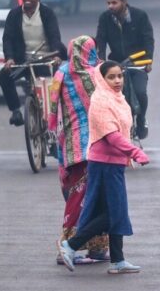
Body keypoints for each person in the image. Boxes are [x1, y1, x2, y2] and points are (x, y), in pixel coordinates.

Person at [58, 60, 150, 274]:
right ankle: (70, 246)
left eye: (120, 76)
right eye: (112, 77)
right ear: (102, 78)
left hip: (113, 164)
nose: (117, 81)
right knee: (113, 213)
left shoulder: (117, 98)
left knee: (113, 211)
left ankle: (117, 260)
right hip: (105, 165)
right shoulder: (100, 100)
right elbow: (112, 136)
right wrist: (135, 152)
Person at [48, 35, 109, 264]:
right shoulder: (97, 74)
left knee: (79, 195)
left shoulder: (61, 73)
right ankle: (67, 245)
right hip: (95, 146)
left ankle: (95, 248)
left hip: (70, 145)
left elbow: (52, 108)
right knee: (92, 197)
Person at [0, 0, 68, 126]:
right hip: (22, 61)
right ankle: (16, 111)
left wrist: (56, 55)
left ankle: (55, 117)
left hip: (44, 59)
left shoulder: (47, 13)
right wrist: (10, 58)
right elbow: (7, 39)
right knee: (4, 76)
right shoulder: (14, 14)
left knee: (57, 84)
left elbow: (55, 36)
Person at [94, 0, 155, 139]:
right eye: (108, 3)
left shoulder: (140, 16)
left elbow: (148, 40)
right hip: (116, 63)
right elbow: (100, 40)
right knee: (113, 95)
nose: (110, 6)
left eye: (114, 3)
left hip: (138, 63)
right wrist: (100, 59)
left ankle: (141, 120)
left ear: (124, 2)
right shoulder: (105, 18)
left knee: (140, 92)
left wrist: (149, 60)